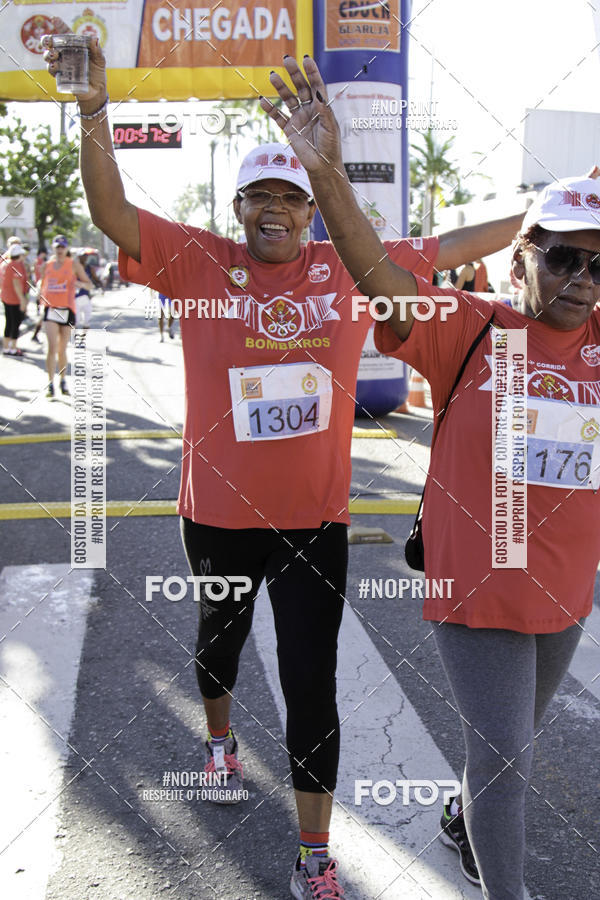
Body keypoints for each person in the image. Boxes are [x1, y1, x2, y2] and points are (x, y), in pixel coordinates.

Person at [43, 38, 527, 900]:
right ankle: (220, 740)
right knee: (217, 646)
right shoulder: (198, 262)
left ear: (311, 210)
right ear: (237, 207)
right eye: (260, 196)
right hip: (216, 518)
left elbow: (457, 241)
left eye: (291, 198)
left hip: (313, 525)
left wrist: (556, 213)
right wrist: (91, 112)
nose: (276, 210)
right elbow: (114, 212)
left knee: (311, 681)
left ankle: (314, 855)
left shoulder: (350, 268)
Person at [263, 55, 600, 900]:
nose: (581, 281)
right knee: (508, 760)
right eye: (563, 259)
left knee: (510, 741)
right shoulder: (465, 325)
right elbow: (372, 268)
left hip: (563, 588)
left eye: (599, 266)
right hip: (479, 581)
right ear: (519, 257)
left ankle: (460, 815)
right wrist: (328, 175)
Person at [38, 234, 91, 397]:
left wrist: (78, 283)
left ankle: (62, 380)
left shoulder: (73, 265)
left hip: (67, 310)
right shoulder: (47, 265)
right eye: (57, 247)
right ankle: (50, 383)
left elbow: (89, 285)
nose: (60, 249)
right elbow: (41, 283)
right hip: (51, 309)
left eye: (62, 247)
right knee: (52, 347)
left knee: (62, 349)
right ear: (53, 248)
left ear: (67, 248)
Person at [1, 243, 28, 356]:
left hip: (5, 296)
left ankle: (6, 347)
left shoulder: (5, 264)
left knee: (9, 322)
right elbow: (16, 283)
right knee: (15, 323)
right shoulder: (15, 265)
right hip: (14, 298)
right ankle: (13, 348)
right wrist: (22, 300)